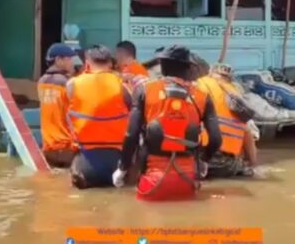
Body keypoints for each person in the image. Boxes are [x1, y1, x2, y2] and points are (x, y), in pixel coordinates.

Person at [112, 45, 222, 201]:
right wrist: (204, 160)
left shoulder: (144, 91)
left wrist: (122, 169)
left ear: (161, 66)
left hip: (151, 183)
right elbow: (216, 139)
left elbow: (131, 135)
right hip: (187, 181)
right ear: (188, 68)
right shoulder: (202, 97)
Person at [66, 45, 132, 189]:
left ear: (87, 63)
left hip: (85, 160)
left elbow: (68, 118)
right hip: (118, 160)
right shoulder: (123, 85)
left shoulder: (72, 84)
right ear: (110, 63)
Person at [196, 63, 259, 178]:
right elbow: (247, 135)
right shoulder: (235, 95)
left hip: (195, 160)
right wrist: (253, 166)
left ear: (210, 74)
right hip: (224, 165)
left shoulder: (199, 84)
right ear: (229, 79)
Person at [38, 43, 78, 168]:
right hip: (67, 146)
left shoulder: (41, 82)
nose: (72, 63)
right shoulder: (67, 83)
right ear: (58, 60)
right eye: (69, 59)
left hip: (48, 146)